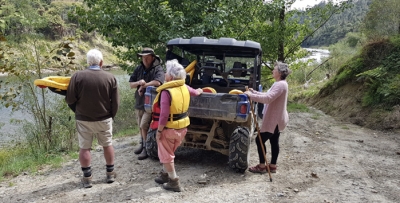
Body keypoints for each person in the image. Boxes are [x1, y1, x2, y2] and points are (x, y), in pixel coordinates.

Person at [65, 49, 120, 188]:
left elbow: (70, 99)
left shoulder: (77, 77)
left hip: (83, 119)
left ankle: (87, 178)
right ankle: (110, 174)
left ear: (87, 62)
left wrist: (78, 112)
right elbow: (116, 103)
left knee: (85, 148)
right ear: (101, 62)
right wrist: (111, 116)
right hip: (104, 118)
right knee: (107, 144)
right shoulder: (110, 78)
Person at [151, 59, 202, 192]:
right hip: (182, 128)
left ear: (171, 77)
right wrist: (201, 90)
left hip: (169, 129)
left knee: (166, 155)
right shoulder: (185, 87)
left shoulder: (166, 92)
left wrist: (159, 131)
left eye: (166, 73)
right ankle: (165, 175)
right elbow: (196, 92)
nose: (165, 75)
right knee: (169, 152)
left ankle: (174, 181)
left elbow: (163, 115)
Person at [244, 61, 291, 174]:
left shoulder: (280, 85)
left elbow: (268, 99)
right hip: (277, 118)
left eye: (274, 69)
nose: (272, 71)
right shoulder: (280, 83)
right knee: (274, 141)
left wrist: (252, 96)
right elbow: (267, 95)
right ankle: (272, 166)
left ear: (279, 72)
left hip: (274, 119)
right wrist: (254, 92)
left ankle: (261, 166)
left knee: (259, 140)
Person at [129, 48, 165, 160]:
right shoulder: (139, 68)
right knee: (140, 125)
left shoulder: (158, 69)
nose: (144, 59)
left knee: (143, 125)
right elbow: (131, 84)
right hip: (139, 102)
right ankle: (143, 144)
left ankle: (146, 148)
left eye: (147, 57)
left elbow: (158, 82)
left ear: (152, 57)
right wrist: (139, 83)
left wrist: (144, 85)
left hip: (152, 104)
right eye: (143, 57)